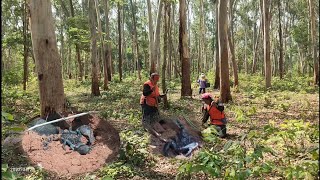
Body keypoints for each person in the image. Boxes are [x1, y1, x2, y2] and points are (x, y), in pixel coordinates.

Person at [140, 73, 166, 138]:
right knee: (146, 116)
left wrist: (162, 96)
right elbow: (145, 93)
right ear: (152, 78)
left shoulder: (156, 85)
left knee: (155, 116)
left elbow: (157, 94)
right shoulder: (147, 84)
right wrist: (151, 90)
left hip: (153, 104)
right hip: (146, 103)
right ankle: (146, 129)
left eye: (158, 78)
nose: (157, 80)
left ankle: (154, 128)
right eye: (156, 78)